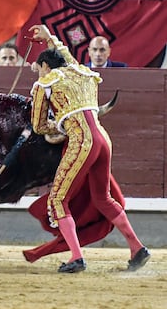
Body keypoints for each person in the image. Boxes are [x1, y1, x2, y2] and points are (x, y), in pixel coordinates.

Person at [24, 24, 149, 273]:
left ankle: (76, 257)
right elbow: (65, 54)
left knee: (58, 199)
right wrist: (49, 36)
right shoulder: (81, 72)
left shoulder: (44, 84)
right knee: (103, 198)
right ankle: (137, 248)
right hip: (103, 139)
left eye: (39, 69)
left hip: (82, 141)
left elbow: (38, 125)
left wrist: (55, 128)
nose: (38, 73)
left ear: (45, 67)